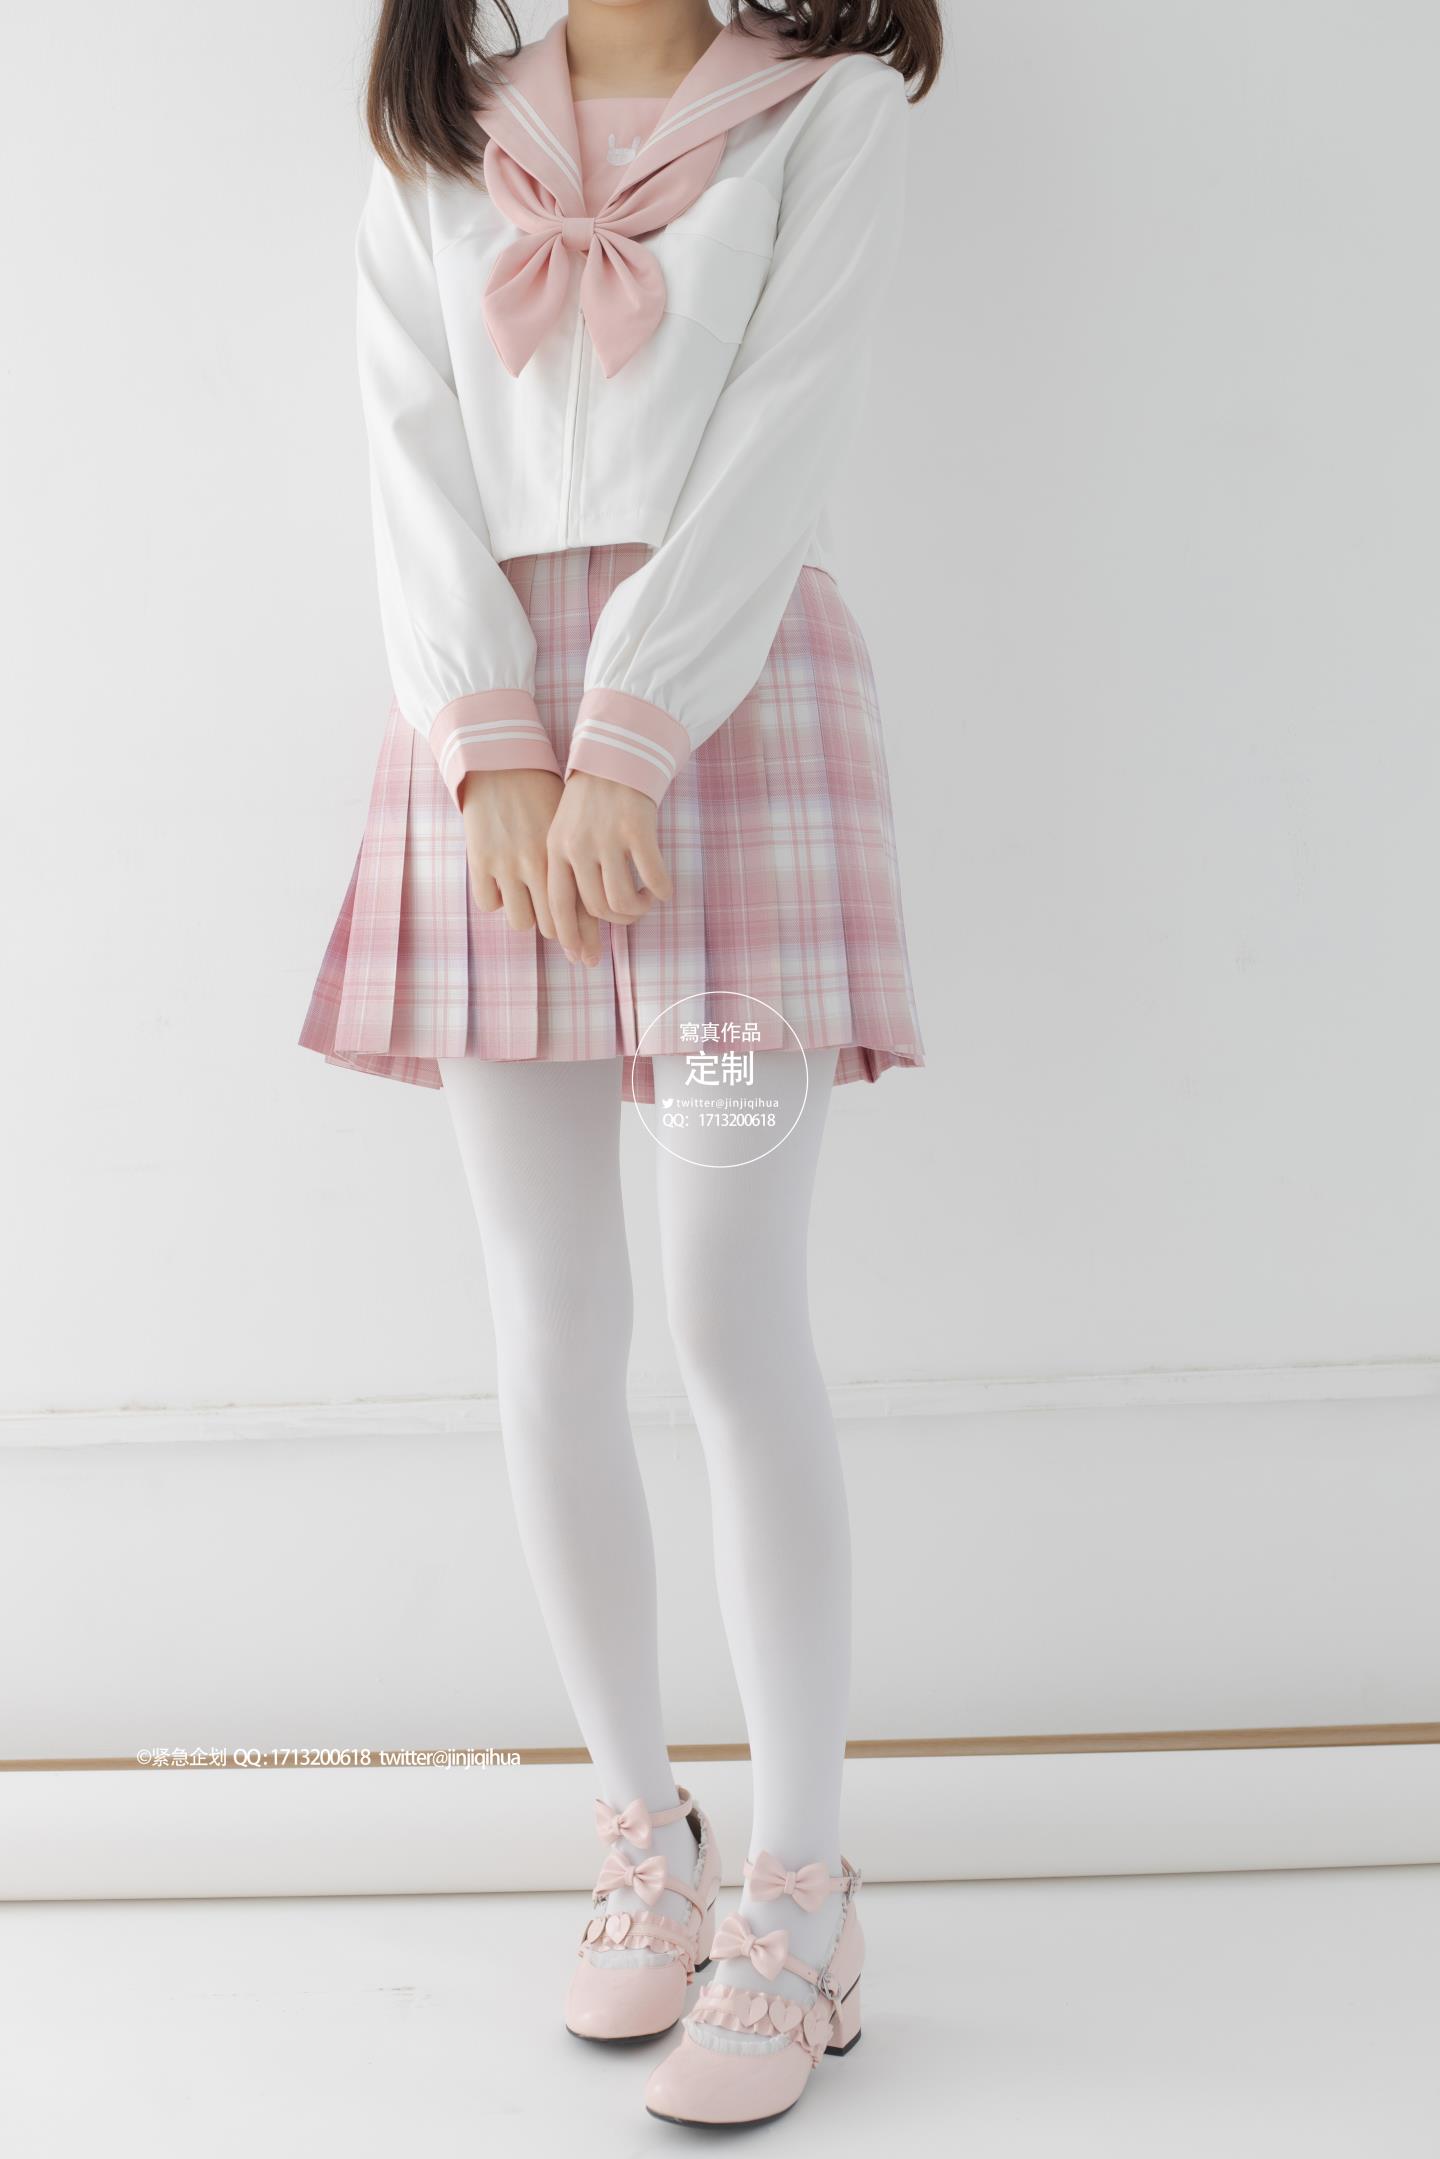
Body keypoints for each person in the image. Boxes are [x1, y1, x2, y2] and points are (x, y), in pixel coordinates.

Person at [300, 0, 940, 2127]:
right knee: (548, 1324)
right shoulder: (435, 127)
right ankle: (640, 1833)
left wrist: (631, 737)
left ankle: (803, 1892)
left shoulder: (829, 114)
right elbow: (406, 441)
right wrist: (492, 740)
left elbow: (783, 430)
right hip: (481, 749)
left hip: (728, 720)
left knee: (733, 1320)